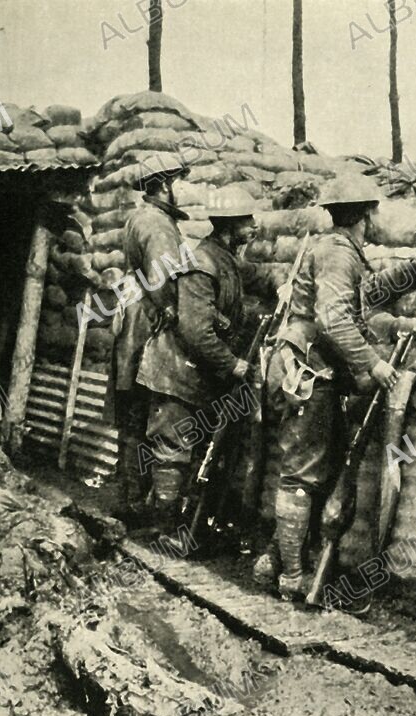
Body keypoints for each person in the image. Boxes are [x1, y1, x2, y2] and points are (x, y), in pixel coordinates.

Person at [261, 174, 416, 600]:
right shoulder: (338, 253)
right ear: (364, 216)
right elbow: (334, 318)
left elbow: (357, 296)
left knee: (314, 471)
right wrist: (373, 363)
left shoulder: (337, 250)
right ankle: (292, 578)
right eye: (373, 213)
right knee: (301, 476)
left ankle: (274, 561)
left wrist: (406, 274)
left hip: (315, 371)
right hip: (309, 373)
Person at [136, 185, 258, 538]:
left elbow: (250, 275)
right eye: (247, 220)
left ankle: (181, 524)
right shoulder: (203, 263)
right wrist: (232, 364)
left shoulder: (224, 259)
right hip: (176, 371)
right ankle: (164, 529)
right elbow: (195, 331)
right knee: (173, 451)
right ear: (230, 225)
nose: (254, 226)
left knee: (192, 451)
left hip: (195, 373)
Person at [111, 153, 191, 526]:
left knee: (132, 421)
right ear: (164, 185)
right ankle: (142, 507)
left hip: (132, 325)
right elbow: (162, 281)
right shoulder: (158, 225)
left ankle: (131, 500)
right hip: (147, 329)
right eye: (180, 181)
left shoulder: (139, 217)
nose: (184, 189)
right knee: (148, 417)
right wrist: (178, 315)